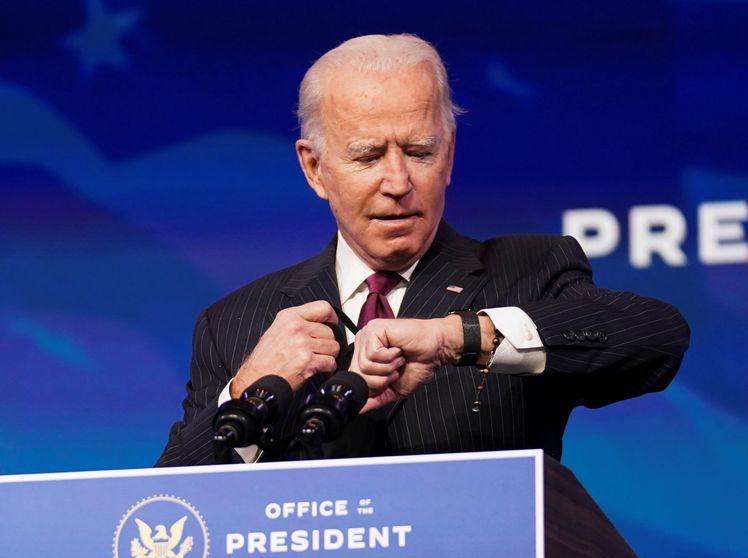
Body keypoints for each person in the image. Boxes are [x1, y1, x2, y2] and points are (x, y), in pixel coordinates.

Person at [155, 34, 689, 467]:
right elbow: (168, 511)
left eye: (418, 151)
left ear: (449, 154)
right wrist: (249, 390)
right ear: (314, 168)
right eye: (367, 156)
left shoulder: (529, 270)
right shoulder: (236, 324)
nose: (397, 181)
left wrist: (452, 336)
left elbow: (657, 338)